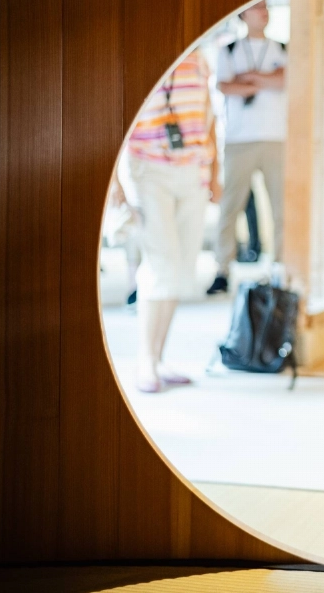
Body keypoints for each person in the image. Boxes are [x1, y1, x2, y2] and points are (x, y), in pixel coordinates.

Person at [111, 49, 221, 393]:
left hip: (194, 172)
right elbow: (117, 117)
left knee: (180, 268)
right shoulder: (139, 57)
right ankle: (145, 361)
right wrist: (114, 182)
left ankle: (158, 358)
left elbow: (209, 117)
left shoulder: (199, 59)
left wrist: (215, 173)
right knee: (160, 263)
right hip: (150, 170)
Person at [207, 0, 288, 295]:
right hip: (238, 140)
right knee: (231, 206)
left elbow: (285, 81)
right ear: (243, 14)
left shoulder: (283, 48)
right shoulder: (229, 50)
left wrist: (250, 78)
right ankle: (222, 269)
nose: (264, 12)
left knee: (281, 206)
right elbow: (225, 86)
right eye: (257, 7)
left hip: (276, 138)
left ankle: (280, 267)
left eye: (266, 7)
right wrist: (267, 80)